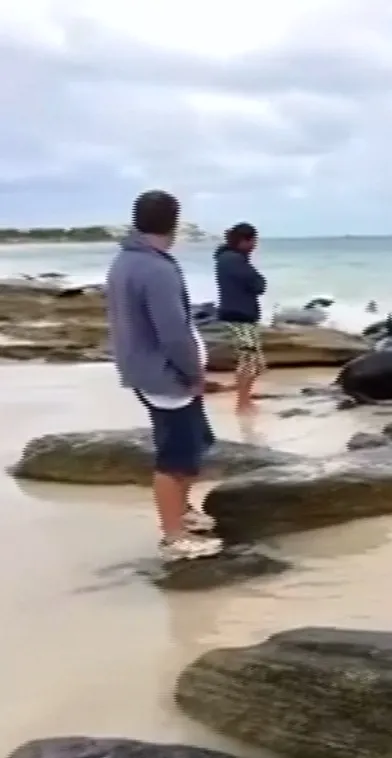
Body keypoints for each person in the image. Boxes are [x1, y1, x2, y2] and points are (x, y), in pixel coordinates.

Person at [105, 189, 222, 561]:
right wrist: (193, 373)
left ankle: (183, 513)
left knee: (194, 443)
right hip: (167, 377)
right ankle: (174, 536)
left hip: (145, 369)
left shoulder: (127, 260)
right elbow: (172, 332)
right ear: (174, 221)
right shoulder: (155, 268)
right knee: (175, 458)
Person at [213, 222, 267, 414]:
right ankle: (242, 403)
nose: (254, 245)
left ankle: (245, 399)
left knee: (256, 363)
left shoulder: (230, 258)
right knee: (249, 361)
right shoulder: (233, 260)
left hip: (243, 316)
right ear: (244, 241)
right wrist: (258, 281)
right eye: (252, 241)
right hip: (239, 316)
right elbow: (259, 284)